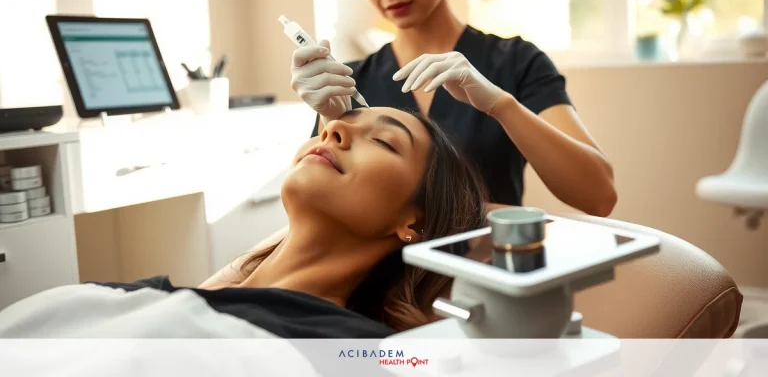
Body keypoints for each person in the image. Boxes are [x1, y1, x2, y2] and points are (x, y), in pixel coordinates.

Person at [290, 0, 617, 217]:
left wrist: (500, 105)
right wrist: (328, 120)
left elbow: (598, 196)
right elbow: (312, 214)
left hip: (491, 252)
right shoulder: (352, 83)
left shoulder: (516, 62)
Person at [0, 107, 486, 340]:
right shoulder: (153, 302)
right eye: (334, 125)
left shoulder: (352, 351)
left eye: (382, 141)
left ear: (414, 223)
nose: (333, 128)